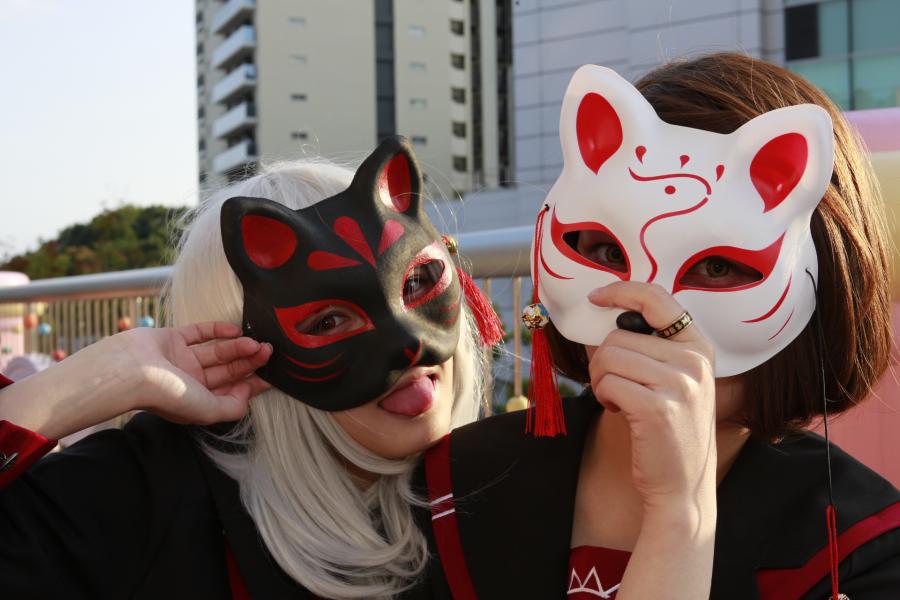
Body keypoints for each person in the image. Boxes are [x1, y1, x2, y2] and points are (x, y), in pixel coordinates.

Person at [0, 136, 718, 599]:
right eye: (328, 320)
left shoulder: (514, 483)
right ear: (241, 344)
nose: (406, 342)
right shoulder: (145, 495)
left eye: (419, 283)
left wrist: (681, 515)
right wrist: (83, 384)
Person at [414, 54, 900, 599]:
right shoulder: (453, 486)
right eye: (607, 251)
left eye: (716, 267)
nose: (649, 311)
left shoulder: (862, 548)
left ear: (827, 278)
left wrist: (681, 515)